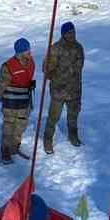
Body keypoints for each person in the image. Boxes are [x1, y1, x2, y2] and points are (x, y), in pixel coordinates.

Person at [42, 21, 84, 153]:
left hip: (74, 90)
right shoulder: (55, 48)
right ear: (63, 34)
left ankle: (73, 136)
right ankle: (48, 140)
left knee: (73, 115)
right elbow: (46, 69)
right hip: (58, 90)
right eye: (68, 33)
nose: (71, 35)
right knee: (53, 117)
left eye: (73, 32)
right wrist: (50, 70)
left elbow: (79, 66)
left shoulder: (78, 47)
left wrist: (69, 73)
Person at [0, 39, 37, 165]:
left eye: (29, 50)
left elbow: (27, 77)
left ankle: (15, 147)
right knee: (9, 127)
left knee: (20, 126)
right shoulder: (8, 66)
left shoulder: (31, 62)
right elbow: (0, 86)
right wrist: (0, 97)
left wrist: (30, 85)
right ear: (19, 52)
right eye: (26, 51)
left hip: (24, 102)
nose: (29, 52)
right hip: (11, 103)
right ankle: (5, 150)